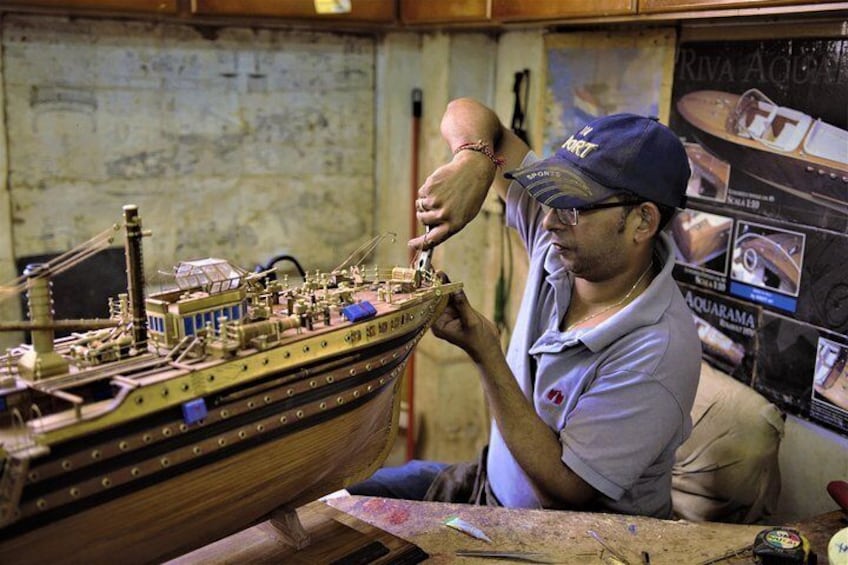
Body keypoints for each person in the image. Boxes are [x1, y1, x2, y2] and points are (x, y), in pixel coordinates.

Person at [348, 98, 702, 519]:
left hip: (561, 540)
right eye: (550, 196)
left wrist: (486, 354)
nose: (548, 220)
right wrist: (474, 163)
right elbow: (473, 115)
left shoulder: (658, 349)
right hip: (487, 482)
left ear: (643, 222)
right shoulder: (567, 248)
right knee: (340, 498)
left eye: (570, 207)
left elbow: (566, 492)